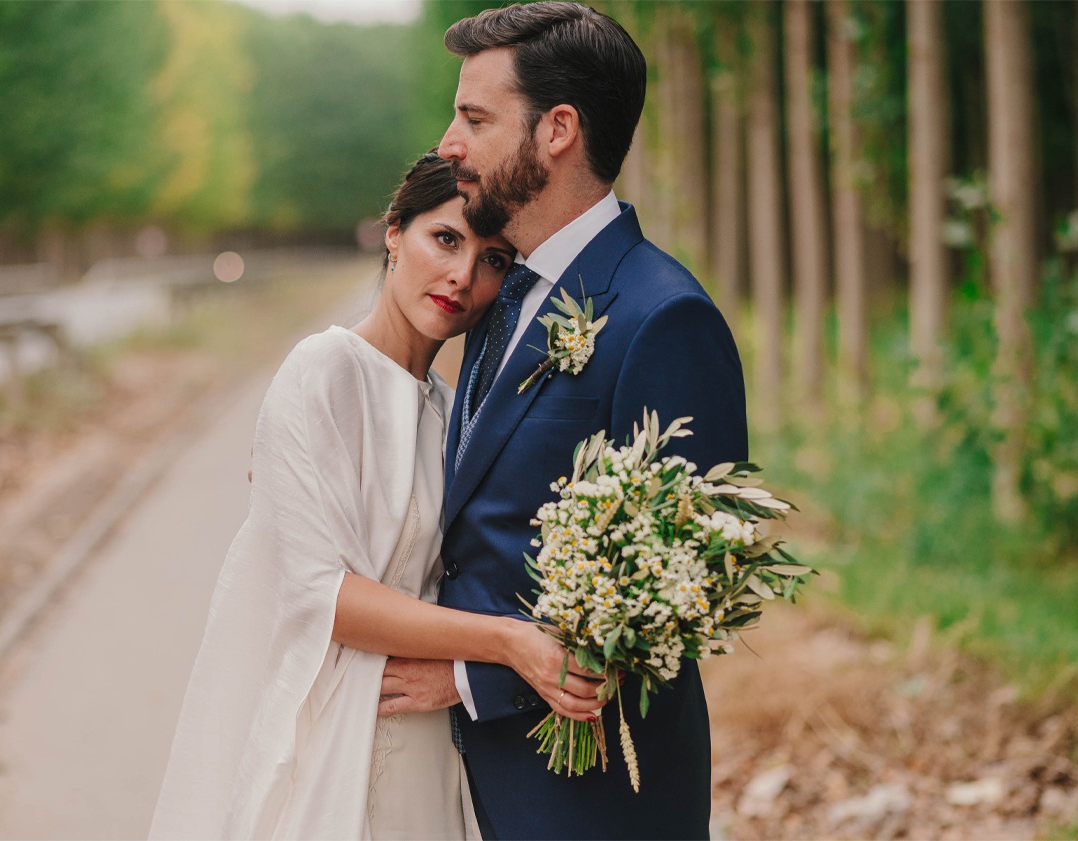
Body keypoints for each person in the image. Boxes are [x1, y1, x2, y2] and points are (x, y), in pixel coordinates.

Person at [148, 151, 606, 840]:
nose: (461, 275)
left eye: (492, 261)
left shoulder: (457, 414)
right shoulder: (322, 372)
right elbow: (323, 595)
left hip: (429, 738)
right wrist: (509, 643)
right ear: (395, 232)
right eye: (445, 239)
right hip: (338, 730)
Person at [376, 4, 749, 839]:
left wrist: (471, 677)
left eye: (474, 117)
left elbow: (682, 593)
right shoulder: (494, 290)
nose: (448, 143)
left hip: (589, 795)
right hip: (458, 781)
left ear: (558, 130)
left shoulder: (663, 318)